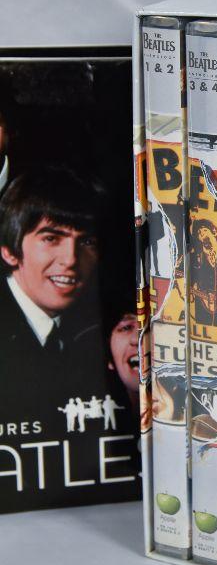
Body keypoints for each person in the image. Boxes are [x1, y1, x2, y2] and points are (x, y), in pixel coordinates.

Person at [0, 166, 103, 424]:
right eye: (51, 238)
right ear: (9, 250)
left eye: (87, 241)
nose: (71, 259)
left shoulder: (94, 330)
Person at [189, 218, 217, 327]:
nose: (202, 234)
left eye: (205, 230)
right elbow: (192, 281)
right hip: (203, 307)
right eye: (199, 233)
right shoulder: (195, 258)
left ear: (214, 232)